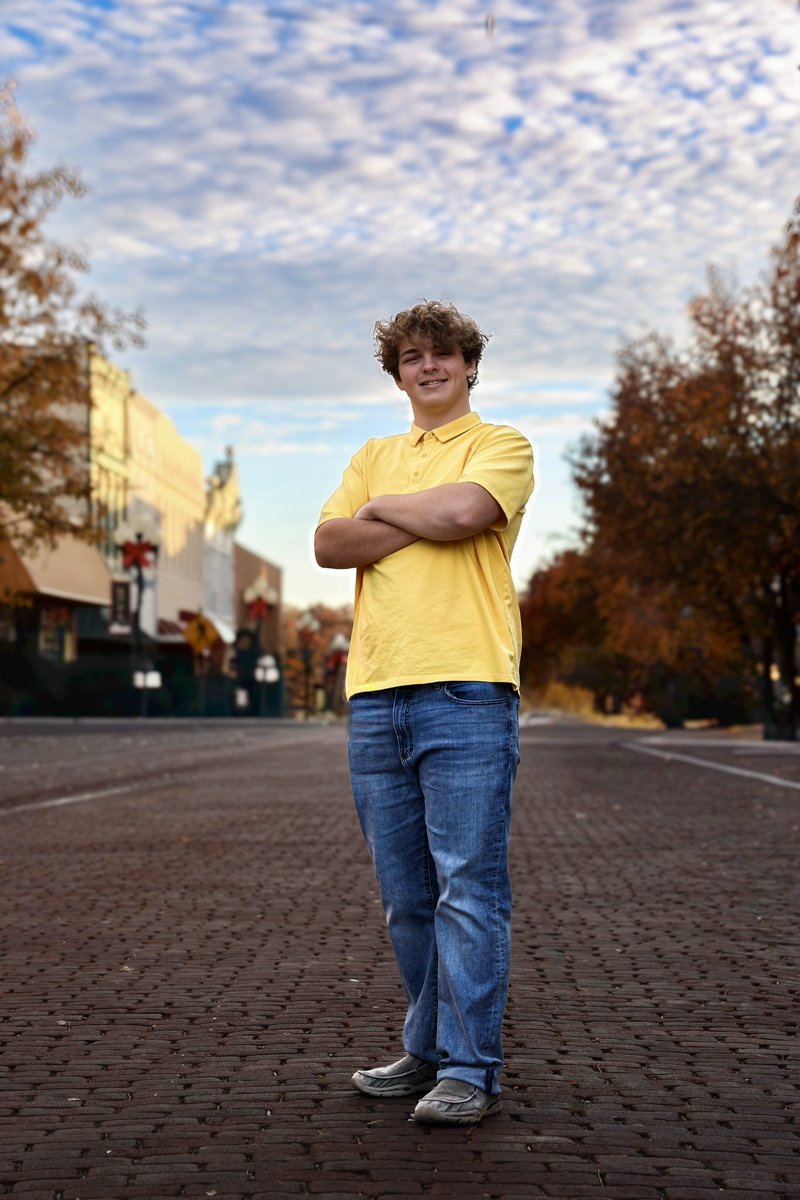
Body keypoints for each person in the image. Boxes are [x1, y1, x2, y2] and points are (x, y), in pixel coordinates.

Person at [315, 300, 534, 1125]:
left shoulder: (500, 445)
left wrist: (381, 512)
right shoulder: (372, 455)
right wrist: (419, 518)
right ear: (398, 374)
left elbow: (467, 513)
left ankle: (470, 1069)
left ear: (470, 365)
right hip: (376, 695)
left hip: (467, 690)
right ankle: (431, 1050)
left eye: (444, 353)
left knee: (467, 891)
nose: (429, 366)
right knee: (407, 897)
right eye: (413, 357)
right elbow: (328, 544)